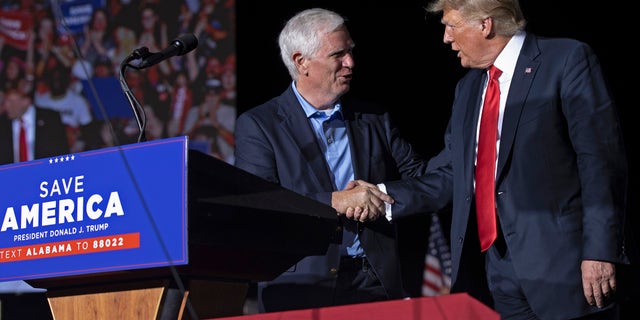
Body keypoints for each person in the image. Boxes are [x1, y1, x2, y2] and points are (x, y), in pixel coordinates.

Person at [348, 0, 628, 319]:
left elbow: (600, 164)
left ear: (485, 25)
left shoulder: (565, 59)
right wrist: (381, 195)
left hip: (567, 268)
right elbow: (451, 174)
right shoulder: (468, 89)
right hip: (499, 273)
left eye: (451, 25)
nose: (446, 38)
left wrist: (600, 251)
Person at [233, 7, 432, 312]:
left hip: (374, 281)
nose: (350, 63)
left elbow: (421, 179)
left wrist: (378, 196)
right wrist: (334, 201)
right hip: (299, 287)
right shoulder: (260, 124)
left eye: (350, 51)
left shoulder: (373, 118)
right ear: (302, 62)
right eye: (338, 54)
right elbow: (261, 203)